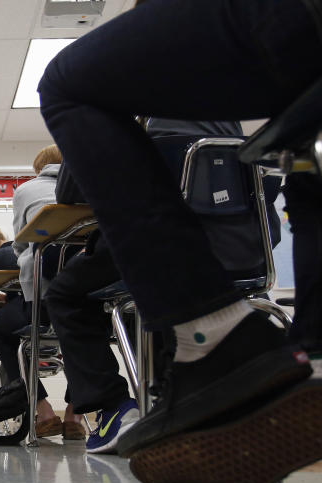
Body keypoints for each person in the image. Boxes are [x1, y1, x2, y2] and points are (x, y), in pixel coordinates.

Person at [37, 0, 322, 483]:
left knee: (70, 85)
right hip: (249, 250)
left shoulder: (162, 106)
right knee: (314, 127)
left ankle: (205, 336)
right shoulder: (226, 131)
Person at [45, 118, 258, 455]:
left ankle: (114, 407)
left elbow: (69, 191)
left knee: (63, 293)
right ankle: (179, 396)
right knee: (152, 292)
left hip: (154, 245)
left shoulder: (116, 106)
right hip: (240, 253)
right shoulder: (228, 117)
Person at [0, 145, 83, 440]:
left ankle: (43, 411)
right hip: (91, 293)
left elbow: (20, 243)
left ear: (38, 169)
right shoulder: (88, 185)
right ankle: (75, 416)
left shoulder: (26, 190)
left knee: (1, 329)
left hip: (43, 298)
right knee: (80, 336)